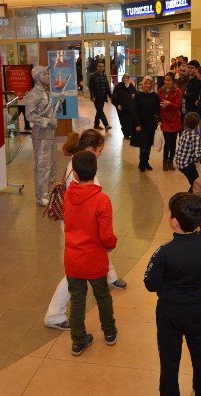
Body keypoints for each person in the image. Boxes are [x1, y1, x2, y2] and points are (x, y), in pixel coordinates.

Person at [44, 130, 127, 331]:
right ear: (90, 150)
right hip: (81, 228)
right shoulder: (81, 170)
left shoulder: (78, 163)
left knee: (90, 256)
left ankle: (111, 276)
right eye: (99, 150)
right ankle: (54, 314)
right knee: (74, 274)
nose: (101, 154)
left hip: (78, 226)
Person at [144, 192, 201, 396]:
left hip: (169, 311)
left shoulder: (164, 252)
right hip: (198, 309)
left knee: (169, 359)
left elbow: (151, 284)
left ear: (174, 222)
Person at [64, 150, 118, 356]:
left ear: (75, 174)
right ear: (96, 170)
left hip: (73, 259)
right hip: (94, 258)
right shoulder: (102, 200)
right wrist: (112, 243)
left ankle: (77, 340)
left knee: (77, 300)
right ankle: (110, 332)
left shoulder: (69, 195)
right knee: (102, 295)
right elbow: (106, 236)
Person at [24, 66, 59, 207]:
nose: (47, 75)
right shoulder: (33, 94)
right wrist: (47, 121)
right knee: (42, 166)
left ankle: (50, 191)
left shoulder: (46, 92)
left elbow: (47, 111)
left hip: (50, 134)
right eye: (45, 73)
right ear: (37, 76)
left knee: (52, 164)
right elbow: (30, 115)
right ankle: (41, 196)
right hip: (41, 135)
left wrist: (58, 103)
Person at [130, 76, 161, 172]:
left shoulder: (155, 95)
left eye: (149, 83)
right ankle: (142, 163)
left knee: (148, 144)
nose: (147, 85)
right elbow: (134, 110)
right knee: (143, 145)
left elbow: (158, 109)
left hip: (151, 123)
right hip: (141, 124)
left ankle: (146, 161)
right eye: (145, 83)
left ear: (151, 84)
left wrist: (159, 120)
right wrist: (137, 124)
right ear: (142, 84)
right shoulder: (138, 95)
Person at [159, 72, 183, 171]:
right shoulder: (160, 90)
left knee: (173, 142)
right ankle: (164, 161)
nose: (166, 82)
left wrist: (169, 103)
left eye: (168, 80)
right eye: (165, 80)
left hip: (175, 120)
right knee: (167, 142)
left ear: (173, 81)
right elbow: (159, 104)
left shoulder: (178, 91)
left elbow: (177, 106)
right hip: (165, 119)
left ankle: (170, 161)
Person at [175, 113, 201, 192]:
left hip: (180, 161)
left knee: (194, 182)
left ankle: (189, 198)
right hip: (186, 164)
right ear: (197, 124)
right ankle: (188, 200)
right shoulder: (195, 136)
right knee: (196, 183)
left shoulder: (184, 132)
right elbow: (198, 154)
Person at [88, 61, 112, 130]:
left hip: (103, 97)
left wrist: (110, 96)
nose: (101, 67)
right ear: (97, 67)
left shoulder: (104, 75)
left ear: (104, 67)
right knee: (100, 111)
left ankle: (96, 124)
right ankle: (106, 125)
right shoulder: (93, 76)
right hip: (96, 97)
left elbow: (107, 87)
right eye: (100, 66)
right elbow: (91, 87)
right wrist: (92, 96)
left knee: (99, 110)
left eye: (102, 66)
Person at [112, 73, 136, 139]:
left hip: (130, 107)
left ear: (129, 79)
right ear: (122, 79)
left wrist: (134, 95)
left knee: (130, 120)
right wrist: (117, 105)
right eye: (124, 78)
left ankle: (131, 133)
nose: (125, 79)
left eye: (127, 78)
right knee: (123, 121)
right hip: (121, 107)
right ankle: (126, 134)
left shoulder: (132, 87)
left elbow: (136, 96)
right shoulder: (118, 87)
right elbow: (114, 97)